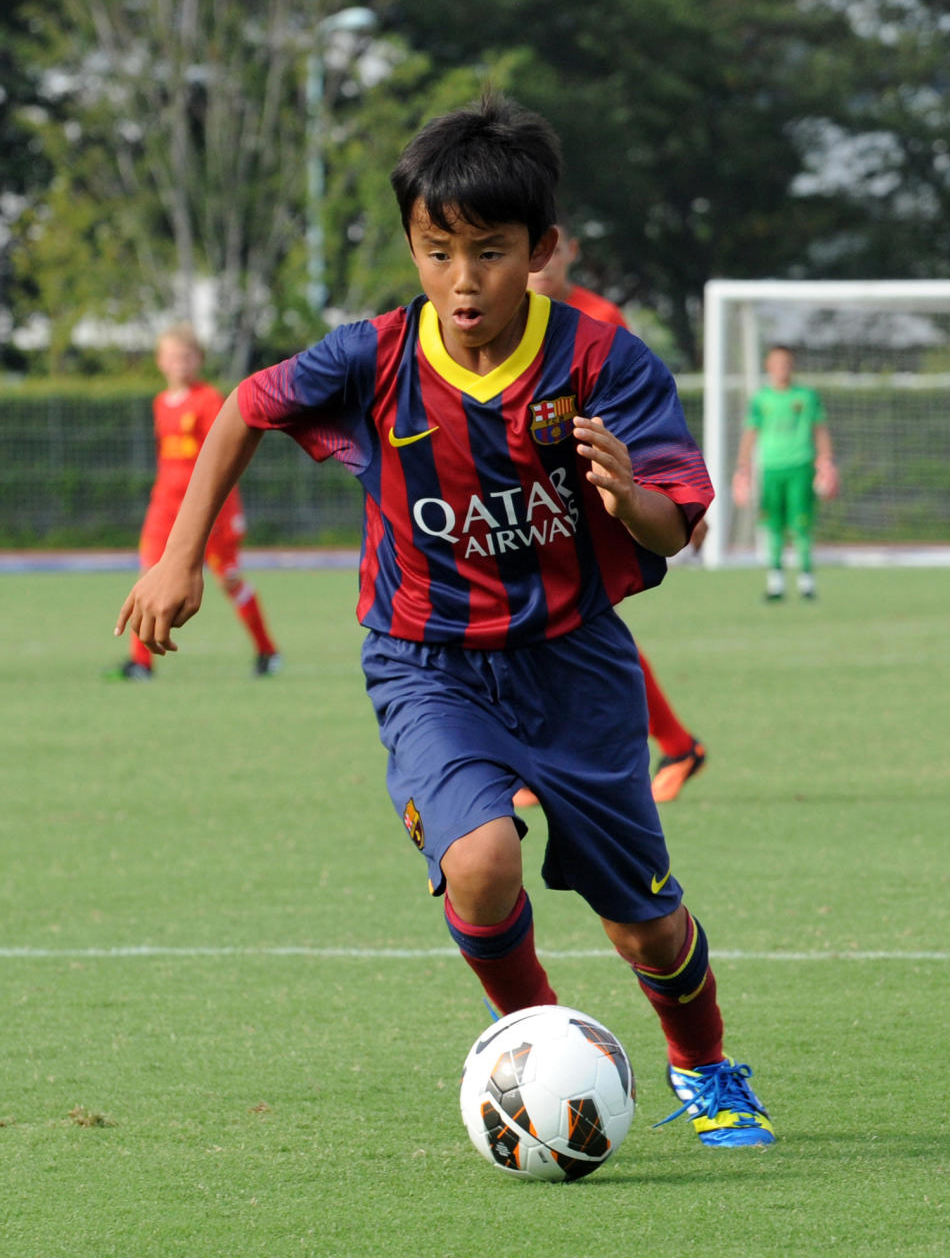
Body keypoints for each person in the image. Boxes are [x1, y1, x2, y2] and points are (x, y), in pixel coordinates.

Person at [114, 93, 773, 1146]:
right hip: (426, 661)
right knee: (478, 859)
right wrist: (180, 554)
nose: (463, 279)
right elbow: (248, 403)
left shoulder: (605, 363)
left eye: (492, 252)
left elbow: (675, 520)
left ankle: (706, 1063)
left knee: (646, 919)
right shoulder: (375, 355)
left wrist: (624, 494)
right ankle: (535, 1053)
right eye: (438, 250)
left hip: (573, 658)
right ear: (415, 246)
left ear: (541, 250)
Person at [525, 222, 706, 803]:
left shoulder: (602, 319)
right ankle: (670, 746)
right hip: (535, 504)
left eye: (550, 252)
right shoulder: (511, 320)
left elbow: (646, 410)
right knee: (552, 627)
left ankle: (672, 745)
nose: (541, 267)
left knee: (577, 625)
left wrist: (672, 496)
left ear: (566, 251)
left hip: (592, 506)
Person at [109, 323, 282, 679]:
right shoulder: (160, 403)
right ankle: (141, 663)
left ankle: (267, 651)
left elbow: (224, 458)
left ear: (198, 360)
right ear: (160, 362)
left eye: (186, 357)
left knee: (228, 580)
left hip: (208, 512)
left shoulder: (209, 401)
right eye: (172, 357)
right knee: (149, 576)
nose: (179, 364)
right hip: (164, 508)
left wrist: (229, 511)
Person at [733, 344, 838, 601]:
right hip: (770, 469)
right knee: (773, 526)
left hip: (800, 466)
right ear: (769, 367)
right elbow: (750, 432)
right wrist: (742, 467)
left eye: (786, 363)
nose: (782, 369)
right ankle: (776, 584)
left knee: (801, 525)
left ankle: (806, 583)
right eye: (777, 363)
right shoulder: (761, 399)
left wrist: (826, 461)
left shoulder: (806, 396)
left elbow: (819, 428)